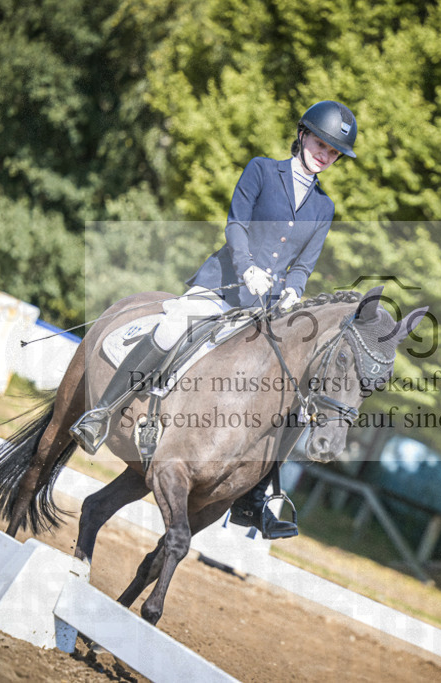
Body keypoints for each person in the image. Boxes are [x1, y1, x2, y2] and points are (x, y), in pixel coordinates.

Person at [69, 100, 358, 539]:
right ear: (303, 135)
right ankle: (102, 413)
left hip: (267, 311)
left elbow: (303, 264)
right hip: (222, 289)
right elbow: (236, 224)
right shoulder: (263, 170)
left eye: (334, 152)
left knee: (289, 392)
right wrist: (247, 267)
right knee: (170, 328)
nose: (326, 155)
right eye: (322, 144)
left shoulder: (323, 207)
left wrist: (295, 291)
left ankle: (258, 497)